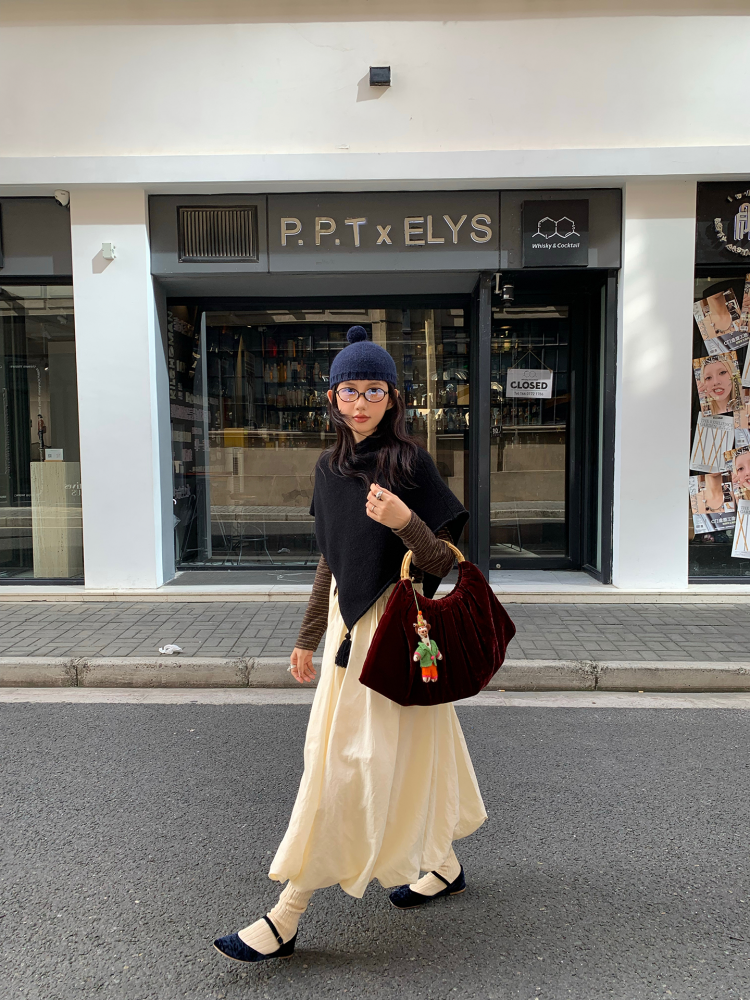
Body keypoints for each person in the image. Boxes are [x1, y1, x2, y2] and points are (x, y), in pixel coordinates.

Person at [213, 326, 487, 963]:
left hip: (395, 630)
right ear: (332, 397)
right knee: (406, 751)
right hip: (346, 630)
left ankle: (287, 914)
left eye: (373, 390)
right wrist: (308, 635)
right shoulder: (329, 467)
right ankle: (444, 866)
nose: (360, 402)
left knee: (347, 763)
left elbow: (442, 561)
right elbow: (330, 559)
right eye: (348, 390)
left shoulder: (410, 464)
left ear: (392, 398)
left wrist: (405, 521)